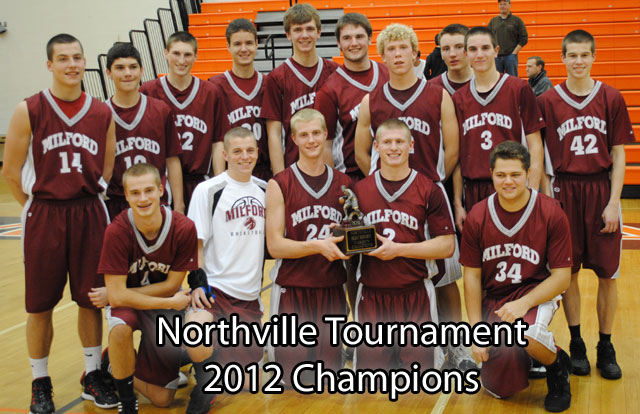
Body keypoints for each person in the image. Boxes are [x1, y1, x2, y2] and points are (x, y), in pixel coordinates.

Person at [2, 33, 117, 413]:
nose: (72, 65)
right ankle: (40, 381)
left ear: (86, 62)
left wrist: (91, 192)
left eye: (77, 58)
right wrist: (35, 205)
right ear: (49, 65)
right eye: (63, 59)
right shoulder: (29, 109)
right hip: (45, 215)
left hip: (88, 212)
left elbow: (109, 162)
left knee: (90, 299)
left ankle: (92, 374)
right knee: (39, 305)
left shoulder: (101, 112)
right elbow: (11, 170)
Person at [354, 23, 474, 371]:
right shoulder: (370, 99)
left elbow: (453, 149)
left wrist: (431, 182)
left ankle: (456, 348)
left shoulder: (437, 94)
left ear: (414, 52)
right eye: (390, 50)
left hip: (428, 194)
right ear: (383, 56)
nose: (397, 55)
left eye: (403, 48)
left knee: (446, 278)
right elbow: (363, 153)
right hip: (384, 196)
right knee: (382, 271)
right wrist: (380, 184)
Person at [537, 29, 635, 380]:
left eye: (584, 55)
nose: (578, 61)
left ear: (593, 57)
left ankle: (605, 345)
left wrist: (613, 201)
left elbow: (620, 153)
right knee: (569, 273)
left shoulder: (611, 97)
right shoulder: (547, 101)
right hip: (564, 191)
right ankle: (576, 342)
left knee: (608, 275)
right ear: (562, 58)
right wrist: (549, 200)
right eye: (572, 55)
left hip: (599, 190)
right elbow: (542, 155)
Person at [461, 141, 573, 412]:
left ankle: (558, 369)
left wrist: (524, 304)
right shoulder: (477, 216)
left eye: (515, 175)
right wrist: (476, 330)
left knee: (527, 333)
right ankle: (529, 359)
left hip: (537, 295)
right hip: (497, 301)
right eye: (501, 175)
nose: (507, 181)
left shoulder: (550, 212)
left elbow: (561, 279)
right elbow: (472, 278)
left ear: (527, 173)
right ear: (491, 174)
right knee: (500, 389)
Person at [353, 119, 455, 370]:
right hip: (372, 297)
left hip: (416, 294)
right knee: (370, 387)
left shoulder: (429, 189)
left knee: (420, 385)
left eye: (400, 142)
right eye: (387, 142)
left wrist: (398, 250)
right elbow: (350, 245)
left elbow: (446, 246)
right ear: (376, 146)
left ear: (411, 145)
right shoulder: (359, 191)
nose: (393, 148)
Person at [99, 163, 196, 414]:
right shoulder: (116, 231)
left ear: (161, 190)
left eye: (148, 190)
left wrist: (119, 294)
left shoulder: (183, 227)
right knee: (120, 329)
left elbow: (173, 284)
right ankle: (127, 400)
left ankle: (116, 365)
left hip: (160, 307)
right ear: (126, 195)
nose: (143, 199)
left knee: (163, 399)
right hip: (146, 306)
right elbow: (120, 297)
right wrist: (165, 302)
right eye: (135, 193)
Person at [185, 127, 267, 413]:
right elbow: (195, 246)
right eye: (237, 151)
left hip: (249, 298)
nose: (244, 156)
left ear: (257, 152)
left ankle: (218, 357)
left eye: (250, 150)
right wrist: (198, 285)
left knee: (248, 383)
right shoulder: (208, 190)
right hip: (216, 291)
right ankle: (203, 382)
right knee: (196, 328)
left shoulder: (265, 190)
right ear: (225, 154)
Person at [265, 108, 351, 383]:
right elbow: (275, 246)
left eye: (316, 133)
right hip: (293, 290)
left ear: (326, 135)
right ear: (293, 139)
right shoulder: (279, 184)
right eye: (304, 135)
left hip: (331, 289)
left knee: (329, 380)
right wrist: (318, 246)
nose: (311, 140)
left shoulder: (344, 185)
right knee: (290, 381)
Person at [452, 26, 544, 232]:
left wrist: (534, 192)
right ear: (466, 54)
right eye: (473, 49)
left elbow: (535, 144)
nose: (480, 54)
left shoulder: (519, 89)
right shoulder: (459, 98)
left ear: (496, 50)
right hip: (475, 188)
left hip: (514, 186)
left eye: (485, 48)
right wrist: (458, 204)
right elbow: (457, 157)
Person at [139, 31, 222, 212]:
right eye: (176, 53)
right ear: (166, 53)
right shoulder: (148, 90)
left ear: (196, 57)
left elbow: (218, 142)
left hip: (199, 181)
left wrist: (219, 183)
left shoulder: (210, 92)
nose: (181, 60)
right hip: (161, 184)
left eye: (187, 55)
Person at [104, 42, 183, 219]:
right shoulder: (100, 114)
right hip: (116, 203)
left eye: (133, 67)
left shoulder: (160, 110)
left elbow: (172, 159)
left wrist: (179, 205)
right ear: (108, 72)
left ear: (142, 70)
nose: (127, 73)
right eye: (120, 68)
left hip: (156, 200)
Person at [262, 3, 339, 174]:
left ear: (319, 32)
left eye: (310, 29)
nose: (304, 35)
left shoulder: (335, 72)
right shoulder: (276, 78)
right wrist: (280, 177)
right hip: (294, 169)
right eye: (297, 30)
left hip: (331, 168)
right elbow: (274, 134)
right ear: (288, 35)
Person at [314, 12, 389, 182]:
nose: (354, 43)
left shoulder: (388, 75)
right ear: (339, 44)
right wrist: (336, 186)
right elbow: (325, 146)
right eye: (347, 38)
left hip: (392, 170)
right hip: (351, 176)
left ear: (370, 39)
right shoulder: (329, 90)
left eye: (359, 36)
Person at [430, 24, 473, 96]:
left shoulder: (488, 83)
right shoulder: (430, 88)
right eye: (446, 49)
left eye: (459, 47)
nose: (452, 54)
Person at [488, 0, 528, 76]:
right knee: (497, 80)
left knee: (513, 81)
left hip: (511, 56)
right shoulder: (493, 21)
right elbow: (488, 37)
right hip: (497, 57)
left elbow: (524, 38)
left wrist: (514, 53)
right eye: (500, 4)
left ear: (510, 5)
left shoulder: (517, 20)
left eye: (505, 4)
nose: (502, 6)